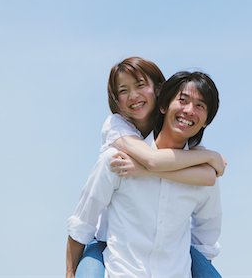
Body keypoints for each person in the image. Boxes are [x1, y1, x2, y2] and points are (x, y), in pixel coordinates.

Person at [66, 69, 223, 277]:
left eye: (200, 106)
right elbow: (82, 225)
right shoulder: (117, 160)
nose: (189, 110)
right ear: (164, 105)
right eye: (183, 100)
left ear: (206, 120)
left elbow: (206, 240)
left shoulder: (201, 174)